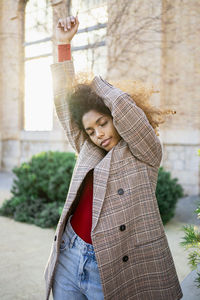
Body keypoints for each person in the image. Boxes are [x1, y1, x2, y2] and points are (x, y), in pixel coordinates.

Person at [44, 15, 183, 300]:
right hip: (70, 254)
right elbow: (62, 105)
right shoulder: (90, 150)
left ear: (115, 118)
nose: (98, 134)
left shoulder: (145, 153)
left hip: (107, 266)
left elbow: (123, 106)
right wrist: (62, 45)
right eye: (91, 130)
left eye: (103, 123)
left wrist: (92, 86)